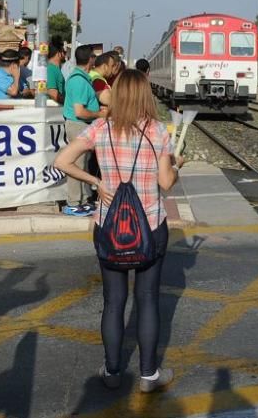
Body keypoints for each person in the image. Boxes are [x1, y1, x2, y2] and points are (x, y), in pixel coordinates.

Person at [54, 70, 185, 393]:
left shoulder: (100, 128)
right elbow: (166, 183)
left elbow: (63, 161)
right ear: (144, 95)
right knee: (148, 300)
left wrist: (97, 183)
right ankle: (148, 376)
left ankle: (113, 372)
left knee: (113, 301)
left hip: (108, 226)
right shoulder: (157, 132)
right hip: (150, 226)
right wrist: (177, 163)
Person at [62, 45, 105, 214]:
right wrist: (99, 114)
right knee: (76, 165)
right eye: (94, 57)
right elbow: (79, 111)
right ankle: (73, 202)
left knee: (82, 164)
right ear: (90, 59)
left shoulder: (81, 78)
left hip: (82, 126)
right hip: (78, 125)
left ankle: (83, 199)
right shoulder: (79, 81)